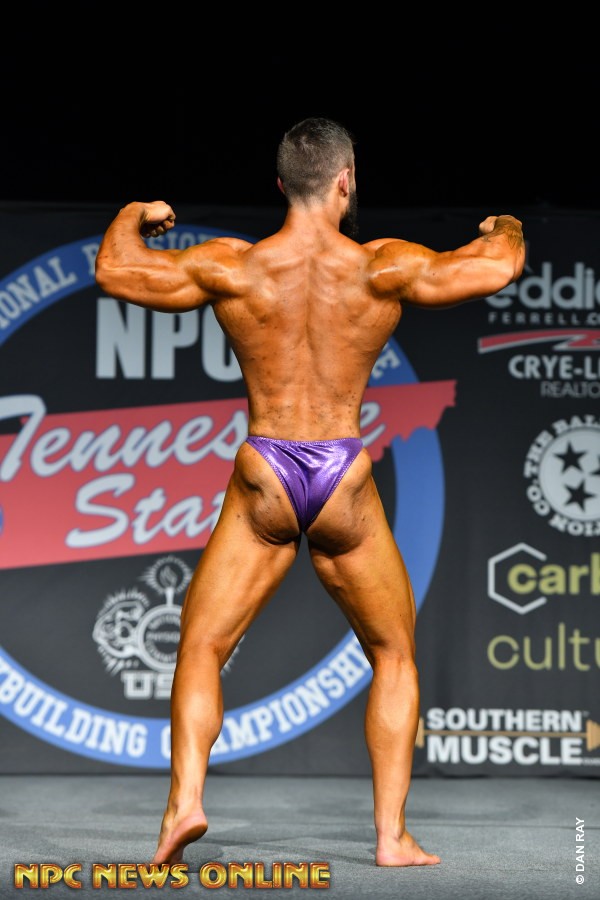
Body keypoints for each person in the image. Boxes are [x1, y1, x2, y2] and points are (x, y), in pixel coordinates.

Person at [95, 117, 525, 868]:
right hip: (341, 475)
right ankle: (390, 837)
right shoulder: (381, 266)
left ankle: (184, 805)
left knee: (200, 647)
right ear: (345, 180)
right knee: (393, 653)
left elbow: (117, 270)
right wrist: (506, 226)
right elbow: (494, 268)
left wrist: (137, 214)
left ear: (279, 185)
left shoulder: (234, 265)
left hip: (265, 468)